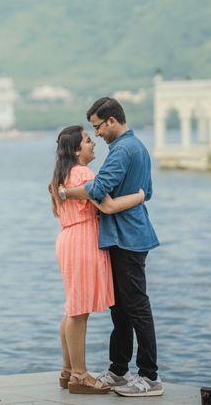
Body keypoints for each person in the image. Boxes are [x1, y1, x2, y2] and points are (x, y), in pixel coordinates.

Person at [59, 97, 162, 397]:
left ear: (112, 121)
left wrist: (65, 191)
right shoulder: (135, 148)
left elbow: (98, 190)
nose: (98, 135)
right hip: (123, 236)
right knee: (121, 309)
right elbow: (148, 191)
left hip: (128, 237)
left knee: (136, 306)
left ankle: (149, 376)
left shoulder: (123, 150)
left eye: (98, 128)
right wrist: (138, 197)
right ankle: (119, 368)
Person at [50, 125, 145, 395]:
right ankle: (80, 375)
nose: (93, 144)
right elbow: (109, 206)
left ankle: (68, 370)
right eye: (88, 140)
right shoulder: (82, 173)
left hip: (68, 238)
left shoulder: (61, 174)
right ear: (77, 150)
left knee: (72, 308)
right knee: (79, 311)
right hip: (81, 240)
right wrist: (140, 195)